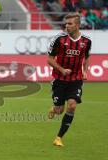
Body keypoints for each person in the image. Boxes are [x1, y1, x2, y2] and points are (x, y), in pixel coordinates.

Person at [47, 13, 91, 147]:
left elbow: (87, 57)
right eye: (66, 23)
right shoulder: (59, 39)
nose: (67, 26)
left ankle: (59, 137)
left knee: (72, 105)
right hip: (60, 78)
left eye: (70, 23)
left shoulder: (86, 41)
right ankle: (54, 109)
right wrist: (62, 70)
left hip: (76, 79)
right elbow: (49, 59)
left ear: (77, 25)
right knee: (60, 110)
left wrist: (84, 71)